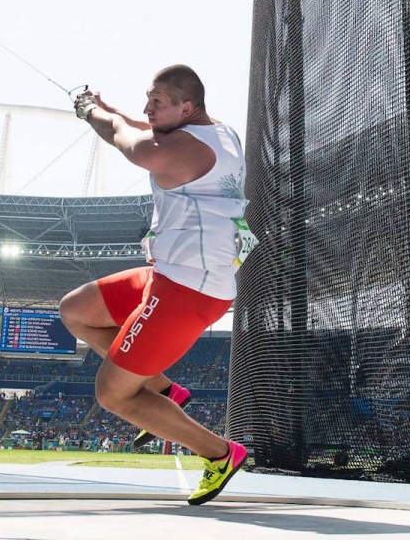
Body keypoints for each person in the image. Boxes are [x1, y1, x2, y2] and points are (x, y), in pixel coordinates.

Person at [60, 65, 255, 505]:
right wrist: (116, 110)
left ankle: (221, 453)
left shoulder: (181, 151)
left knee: (111, 394)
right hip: (169, 273)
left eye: (157, 102)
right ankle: (166, 390)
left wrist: (92, 111)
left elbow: (122, 137)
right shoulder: (216, 131)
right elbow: (145, 127)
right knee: (75, 310)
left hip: (189, 291)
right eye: (148, 99)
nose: (148, 109)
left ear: (187, 107)